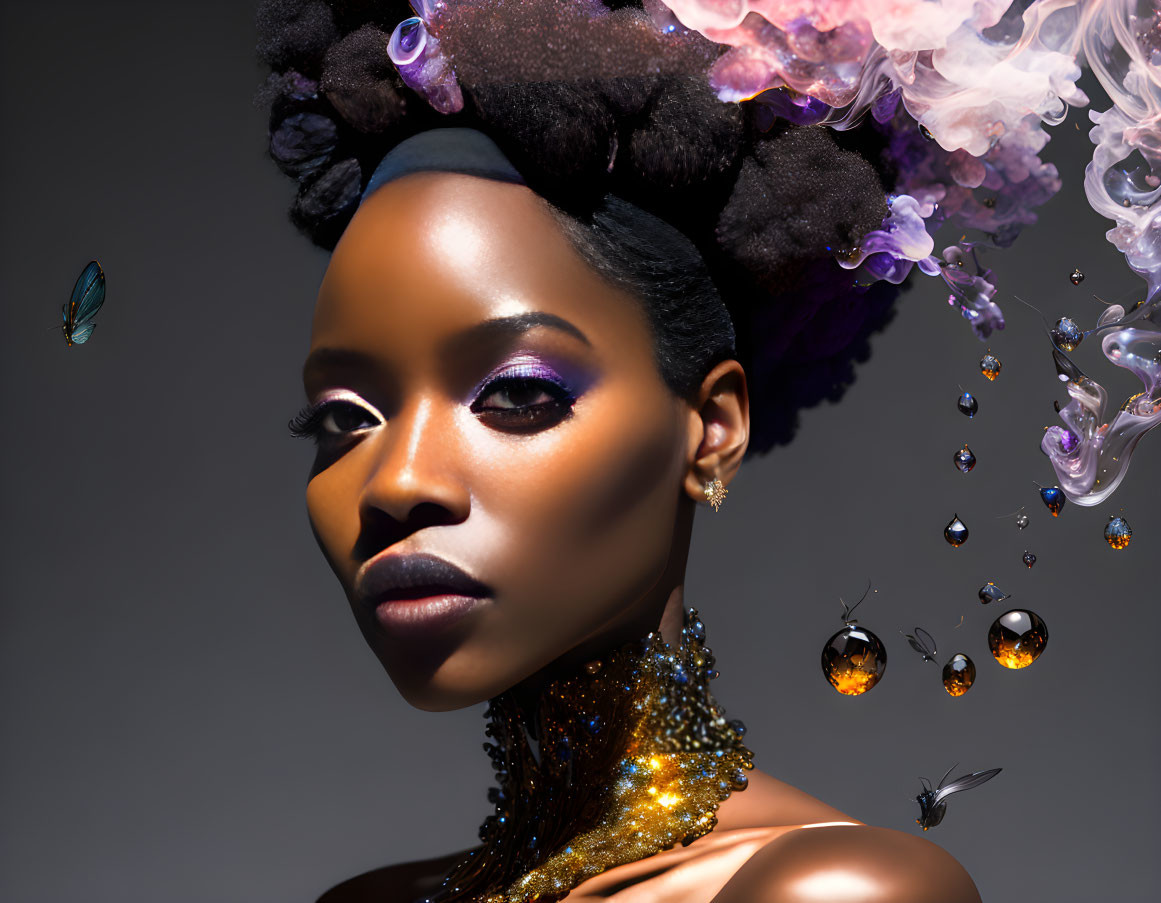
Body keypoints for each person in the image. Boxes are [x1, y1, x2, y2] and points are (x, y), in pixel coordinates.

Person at [256, 1, 1003, 900]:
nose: (397, 481)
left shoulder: (830, 889)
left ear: (711, 429)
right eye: (343, 418)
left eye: (518, 395)